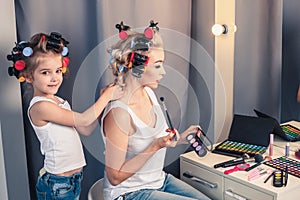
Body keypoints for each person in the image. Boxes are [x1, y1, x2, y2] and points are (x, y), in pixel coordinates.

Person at [100, 21, 211, 200]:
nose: (164, 72)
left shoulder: (150, 93)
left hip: (158, 181)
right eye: (158, 65)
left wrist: (179, 139)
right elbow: (115, 177)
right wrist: (155, 146)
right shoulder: (118, 113)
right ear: (137, 67)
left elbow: (156, 140)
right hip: (128, 193)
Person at [7, 32, 124, 200]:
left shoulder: (59, 102)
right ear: (29, 76)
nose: (54, 78)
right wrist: (107, 97)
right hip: (57, 183)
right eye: (45, 73)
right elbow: (84, 119)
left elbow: (86, 128)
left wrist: (104, 100)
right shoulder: (40, 107)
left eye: (57, 70)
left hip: (73, 179)